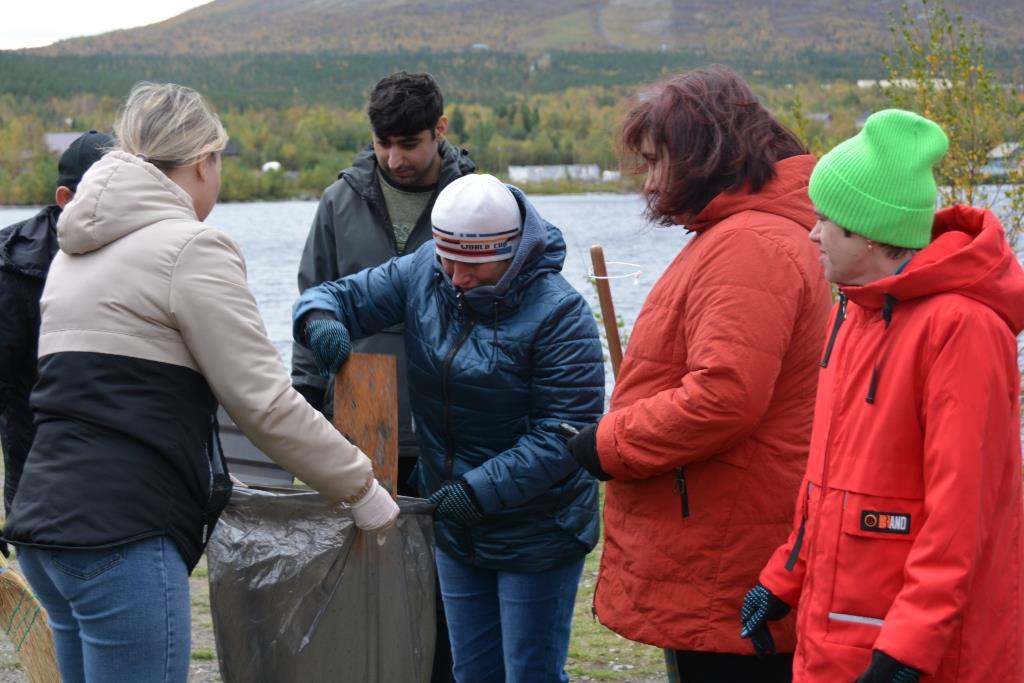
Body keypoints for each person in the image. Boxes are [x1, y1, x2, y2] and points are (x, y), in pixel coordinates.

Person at [2, 82, 398, 683]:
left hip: (42, 529)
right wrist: (363, 490)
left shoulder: (71, 254)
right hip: (122, 534)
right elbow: (263, 404)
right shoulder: (193, 247)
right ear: (202, 162)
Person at [565, 65, 832, 682]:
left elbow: (724, 396)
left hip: (726, 544)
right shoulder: (758, 234)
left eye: (659, 162)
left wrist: (608, 445)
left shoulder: (751, 245)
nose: (650, 183)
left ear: (705, 155)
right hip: (731, 531)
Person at [742, 109, 1024, 683]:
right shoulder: (856, 309)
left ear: (868, 233)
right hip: (845, 626)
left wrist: (910, 645)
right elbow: (827, 478)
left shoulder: (962, 328)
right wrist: (785, 576)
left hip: (920, 649)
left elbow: (961, 511)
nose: (812, 233)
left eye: (826, 221)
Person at [293, 173, 604, 683]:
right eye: (448, 259)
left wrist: (477, 490)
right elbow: (334, 295)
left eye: (473, 265)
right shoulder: (424, 271)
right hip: (457, 524)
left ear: (512, 252)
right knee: (472, 672)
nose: (456, 277)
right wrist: (322, 321)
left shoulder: (561, 315)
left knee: (530, 673)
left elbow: (564, 434)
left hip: (539, 527)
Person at [292, 70, 475, 497]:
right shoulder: (338, 202)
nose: (394, 159)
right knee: (364, 556)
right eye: (383, 143)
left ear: (440, 129)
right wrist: (308, 401)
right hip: (357, 416)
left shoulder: (476, 203)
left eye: (409, 144)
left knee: (440, 555)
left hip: (452, 422)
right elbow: (312, 302)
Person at [0, 130, 111, 522]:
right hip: (32, 474)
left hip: (124, 489)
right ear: (65, 198)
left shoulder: (149, 258)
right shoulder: (8, 264)